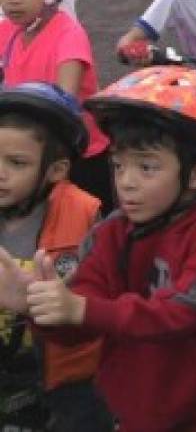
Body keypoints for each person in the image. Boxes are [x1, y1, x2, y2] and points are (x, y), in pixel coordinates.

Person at [0, 67, 196, 431]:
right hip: (145, 419)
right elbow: (80, 322)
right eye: (118, 166)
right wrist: (41, 308)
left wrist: (80, 308)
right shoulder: (111, 233)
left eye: (147, 167)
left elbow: (177, 313)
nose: (126, 183)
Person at [0, 83, 109, 431]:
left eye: (16, 163)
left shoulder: (87, 216)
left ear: (56, 171)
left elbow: (105, 304)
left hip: (66, 381)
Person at [0, 0, 110, 209]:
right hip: (27, 153)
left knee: (86, 232)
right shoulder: (6, 31)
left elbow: (64, 104)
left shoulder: (68, 34)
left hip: (77, 155)